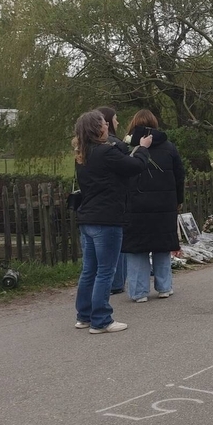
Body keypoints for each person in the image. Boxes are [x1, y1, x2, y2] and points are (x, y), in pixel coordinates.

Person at [72, 110, 151, 334]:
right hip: (107, 218)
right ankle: (101, 319)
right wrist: (143, 148)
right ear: (98, 129)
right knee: (105, 271)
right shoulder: (106, 152)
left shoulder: (82, 154)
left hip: (87, 217)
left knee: (89, 270)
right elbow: (134, 167)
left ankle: (84, 315)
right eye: (104, 124)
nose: (107, 126)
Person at [122, 110, 184, 303]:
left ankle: (139, 292)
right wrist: (178, 200)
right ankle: (164, 287)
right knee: (162, 245)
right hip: (164, 204)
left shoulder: (127, 148)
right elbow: (179, 176)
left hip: (135, 204)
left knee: (137, 247)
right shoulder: (169, 147)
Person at [95, 107, 130, 296]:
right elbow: (130, 169)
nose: (116, 123)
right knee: (115, 246)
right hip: (113, 203)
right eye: (114, 119)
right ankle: (116, 283)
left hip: (94, 207)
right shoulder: (114, 146)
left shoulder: (85, 150)